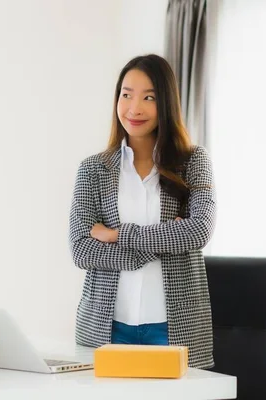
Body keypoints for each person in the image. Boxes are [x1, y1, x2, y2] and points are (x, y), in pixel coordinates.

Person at [68, 54, 216, 369]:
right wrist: (162, 243)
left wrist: (117, 235)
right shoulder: (93, 169)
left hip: (174, 328)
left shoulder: (193, 162)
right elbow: (81, 249)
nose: (134, 108)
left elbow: (199, 230)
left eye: (149, 97)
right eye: (126, 94)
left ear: (166, 103)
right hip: (107, 327)